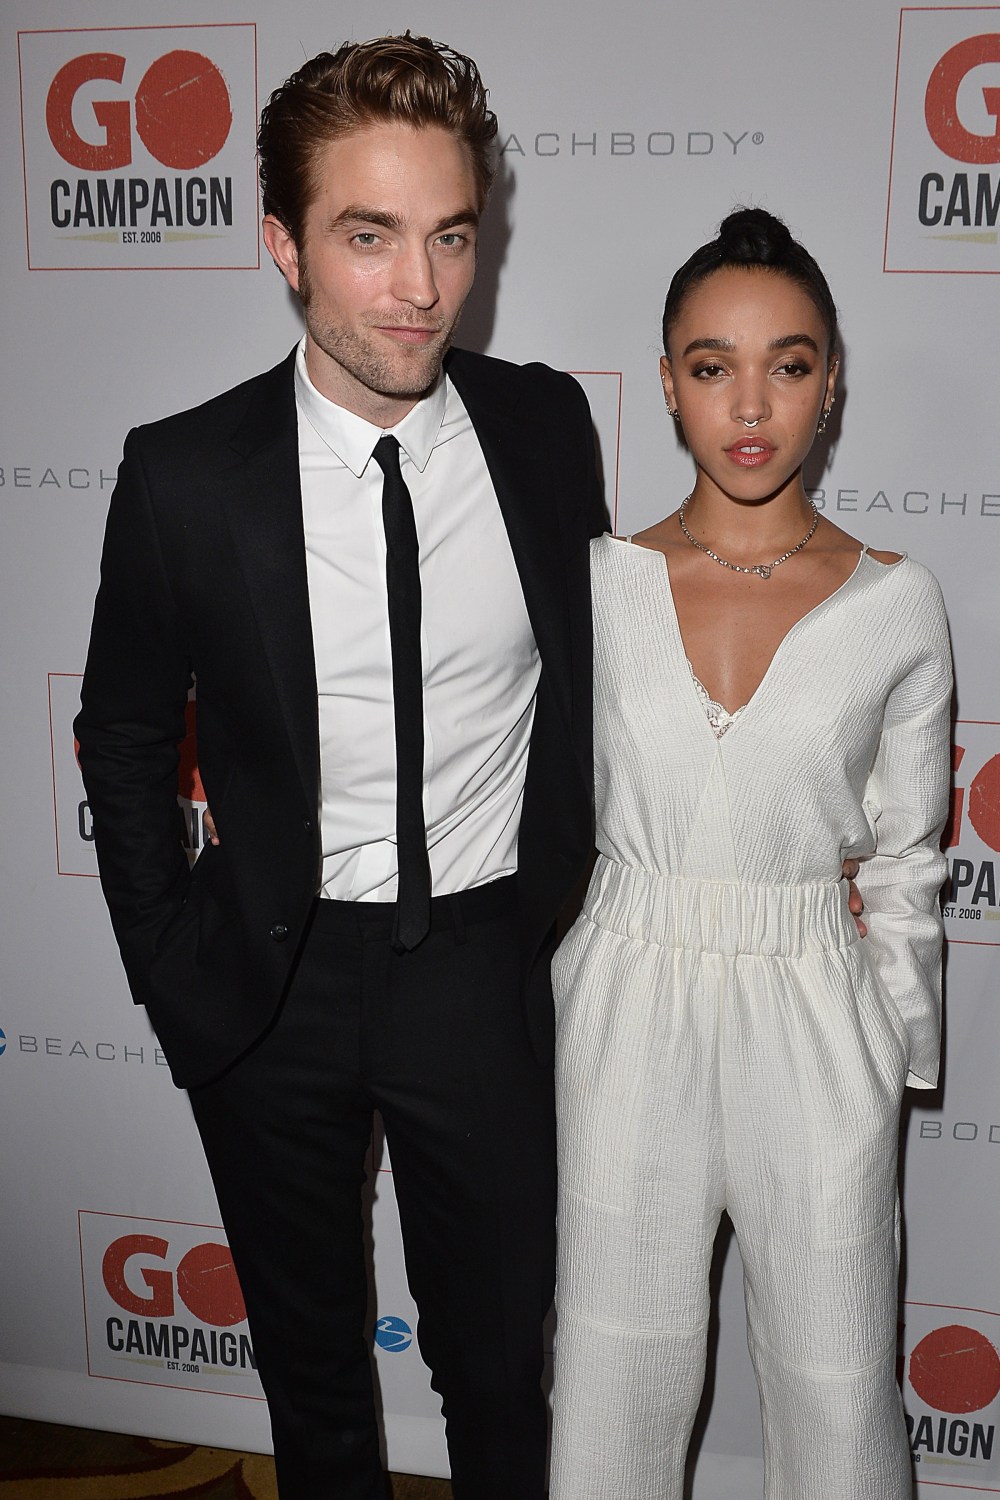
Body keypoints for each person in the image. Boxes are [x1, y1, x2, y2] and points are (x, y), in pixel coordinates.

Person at [73, 35, 604, 1500]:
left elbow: (593, 685)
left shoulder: (544, 430)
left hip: (480, 962)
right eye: (370, 237)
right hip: (271, 978)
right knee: (312, 1386)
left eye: (451, 236)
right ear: (284, 246)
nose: (422, 288)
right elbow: (124, 731)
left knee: (499, 1372)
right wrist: (166, 954)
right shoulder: (186, 475)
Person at [549, 207, 952, 1499]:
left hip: (817, 1007)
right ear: (668, 383)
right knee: (611, 1367)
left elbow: (907, 858)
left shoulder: (898, 602)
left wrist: (894, 1045)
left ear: (831, 385)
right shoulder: (593, 583)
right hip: (625, 993)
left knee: (838, 1380)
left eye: (789, 363)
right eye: (712, 364)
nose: (751, 404)